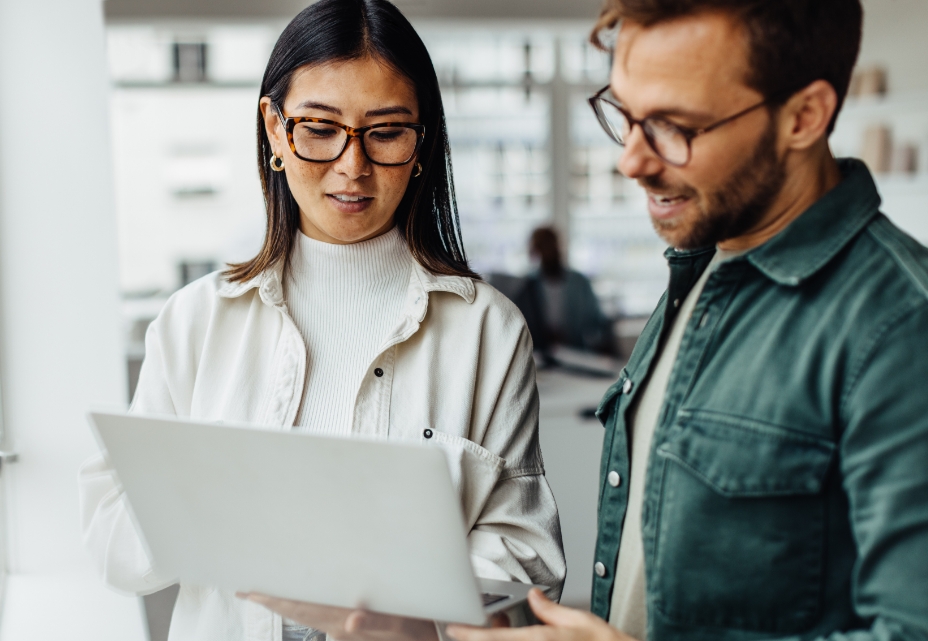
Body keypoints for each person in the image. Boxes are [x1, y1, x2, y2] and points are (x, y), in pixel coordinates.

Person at [79, 2, 565, 640]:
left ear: (424, 143)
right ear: (275, 131)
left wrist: (401, 612)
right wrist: (219, 500)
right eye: (319, 128)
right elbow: (112, 542)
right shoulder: (195, 321)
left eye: (386, 131)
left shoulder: (488, 332)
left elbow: (528, 559)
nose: (352, 166)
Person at [448, 2, 928, 641]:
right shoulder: (698, 271)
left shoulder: (900, 325)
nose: (632, 161)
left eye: (674, 126)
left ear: (804, 116)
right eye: (627, 115)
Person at [526, 227, 612, 355]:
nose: (548, 252)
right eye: (543, 248)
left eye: (550, 246)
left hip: (577, 353)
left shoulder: (579, 283)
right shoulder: (529, 285)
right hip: (540, 356)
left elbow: (597, 323)